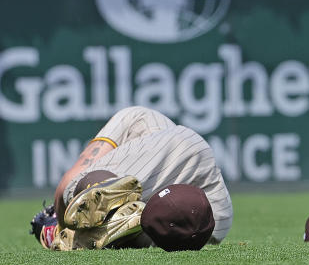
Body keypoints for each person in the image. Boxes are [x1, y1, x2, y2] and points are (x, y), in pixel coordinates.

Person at [30, 105, 233, 251]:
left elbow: (65, 185)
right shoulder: (151, 127)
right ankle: (118, 217)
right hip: (212, 222)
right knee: (141, 221)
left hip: (185, 164)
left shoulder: (133, 119)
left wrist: (61, 225)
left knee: (73, 186)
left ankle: (108, 215)